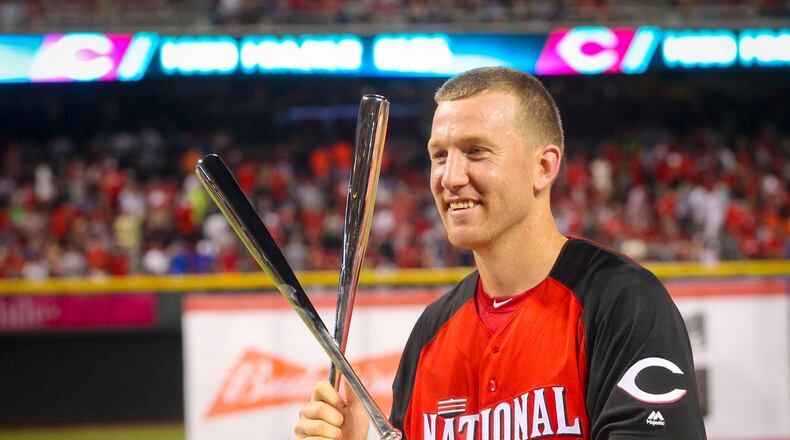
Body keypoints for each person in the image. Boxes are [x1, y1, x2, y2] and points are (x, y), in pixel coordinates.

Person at [294, 67, 706, 439]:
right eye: (439, 156)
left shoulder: (622, 302)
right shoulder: (431, 333)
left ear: (543, 167)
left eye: (476, 152)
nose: (450, 178)